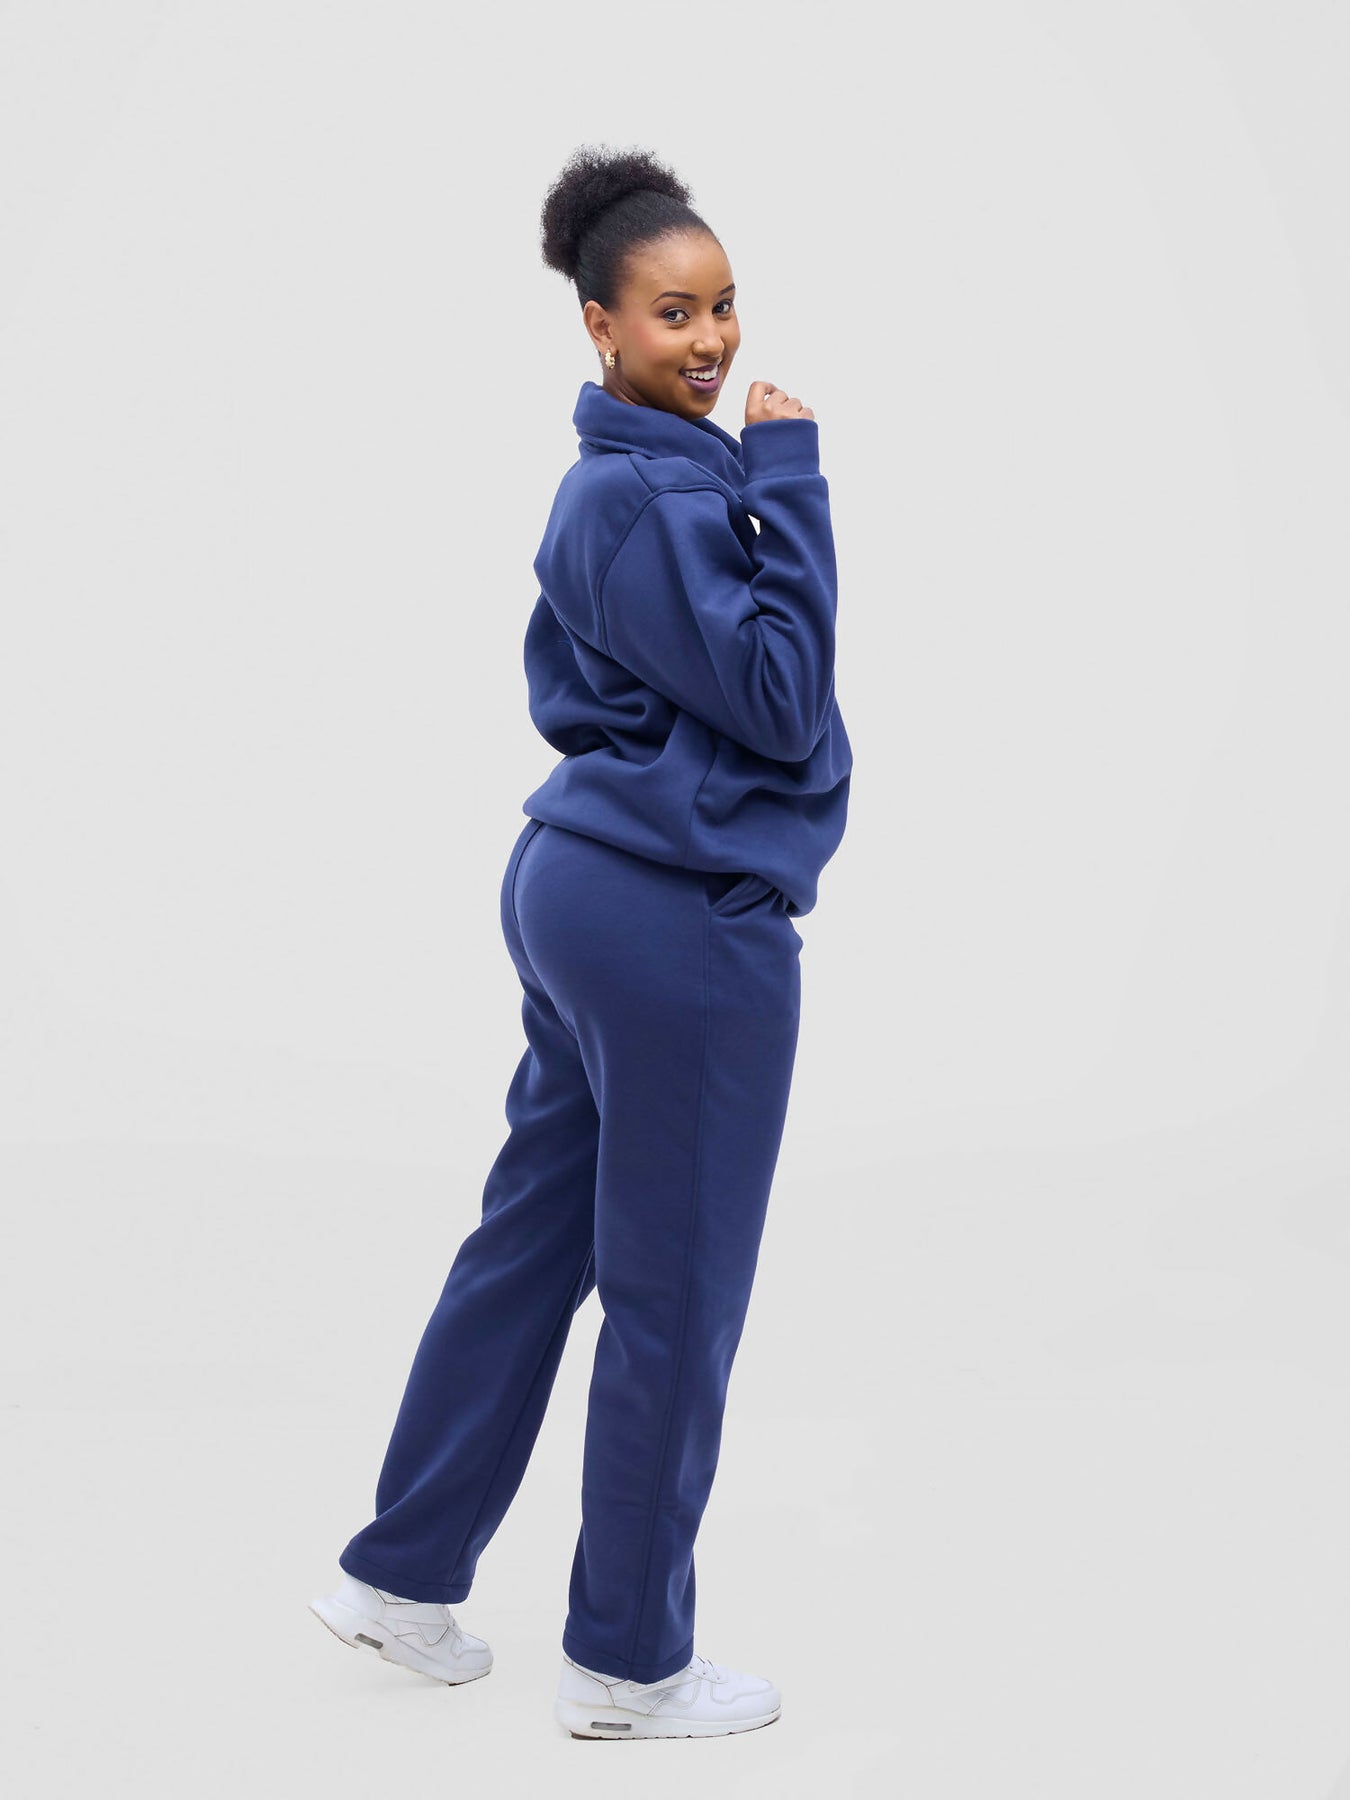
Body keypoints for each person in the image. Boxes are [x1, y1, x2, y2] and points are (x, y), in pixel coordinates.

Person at [310, 142, 852, 1742]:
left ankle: (401, 1578)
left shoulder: (640, 480)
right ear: (599, 328)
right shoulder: (654, 493)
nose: (711, 339)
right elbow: (778, 700)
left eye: (724, 305)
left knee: (535, 1245)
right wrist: (794, 483)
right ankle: (627, 1662)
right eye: (672, 314)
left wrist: (747, 482)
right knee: (672, 1295)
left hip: (590, 891)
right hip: (673, 916)